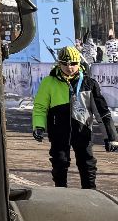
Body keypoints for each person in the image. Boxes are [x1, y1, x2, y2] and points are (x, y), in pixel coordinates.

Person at [32, 44, 117, 189]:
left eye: (73, 63)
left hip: (82, 131)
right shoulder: (49, 82)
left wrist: (111, 137)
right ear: (59, 63)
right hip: (59, 132)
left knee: (87, 163)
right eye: (64, 63)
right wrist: (39, 126)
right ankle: (61, 191)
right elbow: (40, 107)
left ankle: (90, 191)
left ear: (79, 62)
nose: (69, 67)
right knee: (60, 163)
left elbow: (102, 111)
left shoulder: (89, 83)